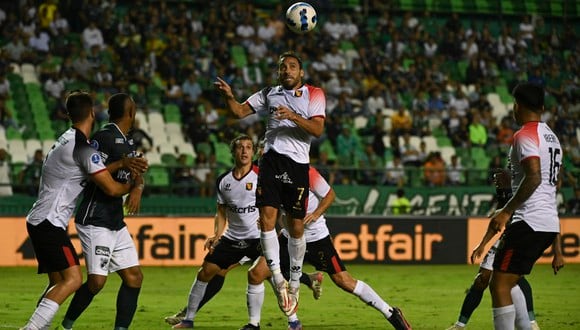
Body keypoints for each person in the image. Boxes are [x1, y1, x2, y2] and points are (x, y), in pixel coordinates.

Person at [214, 51, 326, 315]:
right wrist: (229, 96)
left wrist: (293, 117)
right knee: (266, 219)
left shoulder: (314, 93)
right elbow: (240, 112)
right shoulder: (269, 93)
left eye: (292, 67)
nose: (286, 70)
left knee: (295, 226)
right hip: (270, 160)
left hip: (297, 165)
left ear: (301, 72)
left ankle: (296, 283)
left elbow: (318, 130)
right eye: (282, 67)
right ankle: (278, 279)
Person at [240, 166, 411, 330]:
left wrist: (316, 214)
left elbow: (329, 195)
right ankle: (259, 324)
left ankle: (391, 312)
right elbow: (275, 207)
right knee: (257, 273)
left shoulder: (306, 171)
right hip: (289, 236)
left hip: (316, 239)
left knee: (344, 281)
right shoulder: (272, 177)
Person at [21, 91, 133, 330]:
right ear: (92, 113)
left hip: (39, 219)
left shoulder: (68, 139)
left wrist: (121, 164)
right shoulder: (83, 147)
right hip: (50, 223)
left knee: (58, 282)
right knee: (73, 280)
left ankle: (38, 326)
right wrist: (134, 184)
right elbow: (112, 189)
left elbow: (92, 170)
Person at [471, 82, 563, 329]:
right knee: (509, 281)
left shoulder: (524, 135)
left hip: (528, 221)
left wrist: (506, 211)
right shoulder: (552, 138)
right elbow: (552, 186)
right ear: (542, 107)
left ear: (517, 106)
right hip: (547, 223)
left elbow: (534, 177)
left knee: (499, 284)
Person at [60, 93, 149, 330]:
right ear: (131, 112)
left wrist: (138, 186)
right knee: (97, 282)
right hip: (95, 218)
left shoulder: (128, 141)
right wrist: (121, 166)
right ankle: (66, 326)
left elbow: (135, 172)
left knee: (134, 277)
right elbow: (92, 175)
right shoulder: (103, 137)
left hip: (114, 220)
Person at [447, 170, 564, 330]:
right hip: (507, 238)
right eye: (494, 178)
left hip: (523, 238)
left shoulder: (524, 191)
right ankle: (460, 325)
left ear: (511, 178)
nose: (496, 180)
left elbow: (551, 221)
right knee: (482, 279)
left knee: (514, 279)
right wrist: (482, 245)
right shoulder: (503, 194)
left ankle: (530, 322)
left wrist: (558, 253)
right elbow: (497, 222)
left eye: (499, 177)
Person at [171, 135, 263, 329]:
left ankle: (291, 320)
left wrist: (269, 222)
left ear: (253, 152)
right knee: (205, 272)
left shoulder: (261, 177)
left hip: (258, 238)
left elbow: (274, 205)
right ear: (233, 152)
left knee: (272, 275)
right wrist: (217, 235)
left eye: (248, 147)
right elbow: (221, 212)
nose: (245, 151)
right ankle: (188, 320)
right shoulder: (224, 181)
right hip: (233, 238)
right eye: (240, 147)